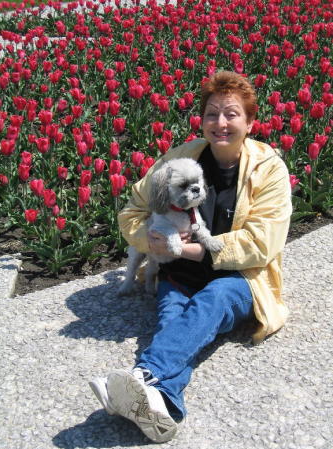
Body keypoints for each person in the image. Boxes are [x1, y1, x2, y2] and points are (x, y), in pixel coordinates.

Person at [89, 71, 292, 443]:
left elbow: (262, 243)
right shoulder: (180, 158)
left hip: (240, 279)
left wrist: (189, 248)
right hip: (178, 275)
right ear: (201, 120)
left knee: (211, 302)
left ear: (250, 122)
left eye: (232, 114)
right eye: (212, 113)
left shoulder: (269, 169)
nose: (221, 123)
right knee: (174, 324)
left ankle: (141, 376)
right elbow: (133, 212)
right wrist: (155, 243)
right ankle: (163, 405)